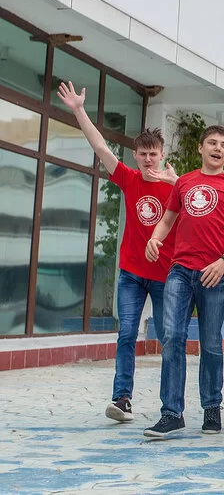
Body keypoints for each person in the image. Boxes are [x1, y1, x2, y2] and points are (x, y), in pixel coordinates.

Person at [56, 81, 178, 423]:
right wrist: (79, 110)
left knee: (169, 338)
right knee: (126, 333)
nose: (149, 159)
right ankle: (122, 399)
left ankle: (172, 404)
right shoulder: (128, 178)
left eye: (154, 153)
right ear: (135, 156)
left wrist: (175, 182)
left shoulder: (177, 186)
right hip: (132, 273)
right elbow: (100, 146)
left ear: (162, 155)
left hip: (166, 276)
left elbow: (201, 206)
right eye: (143, 154)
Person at [142, 125, 224, 438]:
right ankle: (171, 413)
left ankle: (211, 407)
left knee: (211, 343)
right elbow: (167, 219)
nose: (218, 149)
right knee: (172, 338)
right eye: (212, 143)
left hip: (215, 273)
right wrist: (155, 238)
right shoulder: (185, 182)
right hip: (180, 270)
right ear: (201, 148)